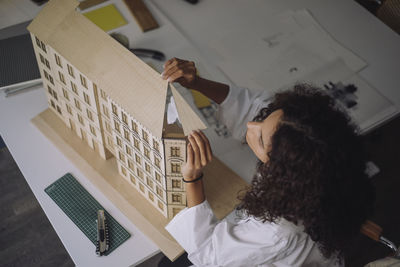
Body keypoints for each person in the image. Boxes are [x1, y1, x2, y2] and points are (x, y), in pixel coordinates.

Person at [160, 58, 375, 266]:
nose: (251, 125)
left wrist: (192, 177)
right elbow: (252, 107)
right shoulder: (314, 150)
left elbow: (209, 256)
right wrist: (197, 83)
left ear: (279, 168)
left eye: (261, 139)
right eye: (265, 119)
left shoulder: (277, 231)